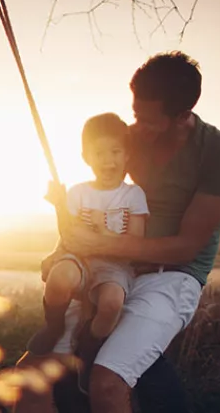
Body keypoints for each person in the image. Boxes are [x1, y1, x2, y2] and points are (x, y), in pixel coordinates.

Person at [14, 50, 220, 413]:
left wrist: (103, 245)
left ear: (183, 115)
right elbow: (98, 198)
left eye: (148, 121)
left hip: (171, 276)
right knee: (28, 379)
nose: (137, 129)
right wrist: (66, 246)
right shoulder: (130, 138)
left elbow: (186, 247)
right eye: (135, 114)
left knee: (107, 381)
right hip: (112, 266)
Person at [28, 112, 149, 395]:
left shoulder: (133, 195)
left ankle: (89, 347)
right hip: (79, 259)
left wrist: (100, 228)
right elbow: (68, 233)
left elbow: (136, 242)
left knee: (111, 305)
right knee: (58, 279)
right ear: (86, 157)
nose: (108, 160)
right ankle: (54, 325)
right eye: (99, 153)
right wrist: (59, 205)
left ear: (127, 155)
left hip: (115, 266)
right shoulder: (79, 192)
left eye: (115, 152)